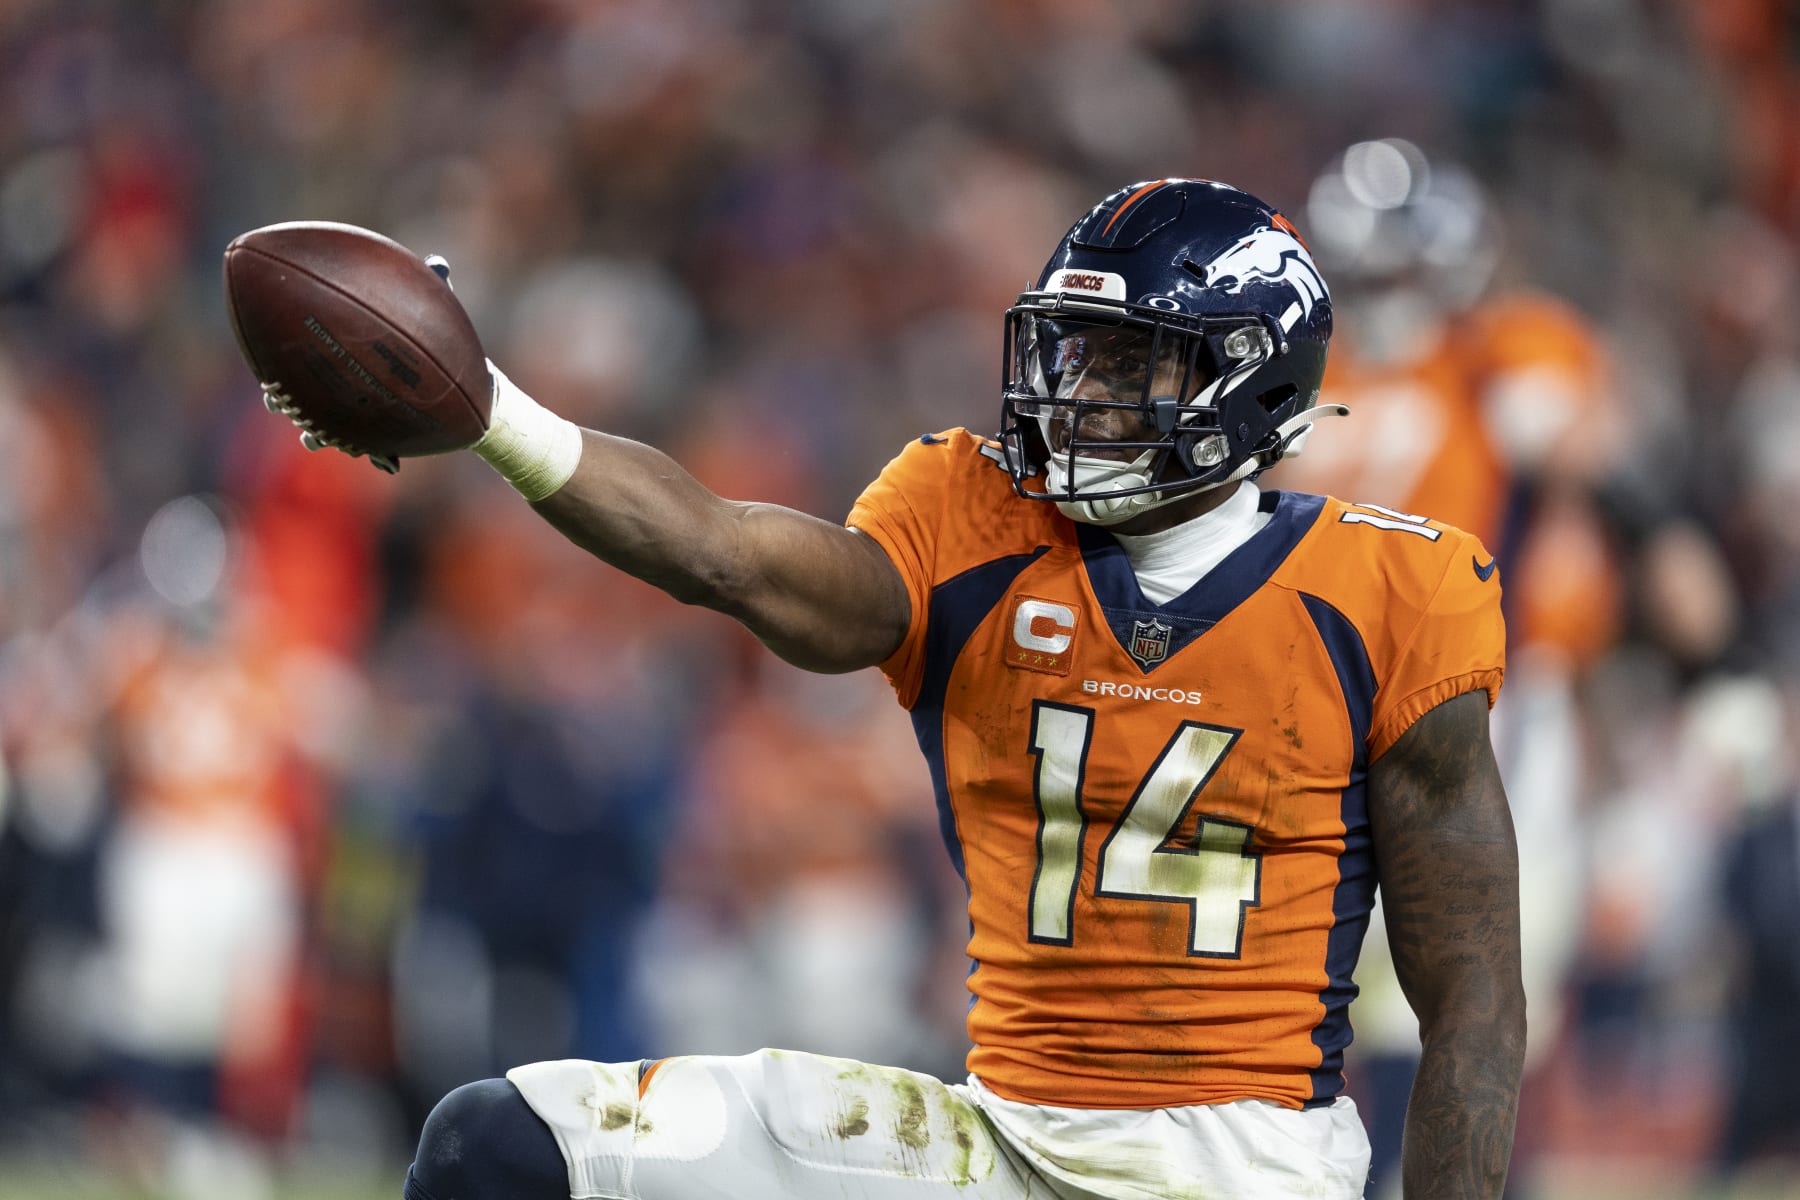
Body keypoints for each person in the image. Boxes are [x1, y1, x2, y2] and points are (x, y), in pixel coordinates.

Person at [273, 178, 1525, 1200]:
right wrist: (493, 413)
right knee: (495, 1147)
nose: (1077, 394)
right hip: (996, 1140)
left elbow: (1472, 999)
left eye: (1126, 364)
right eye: (1072, 352)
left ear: (1250, 379)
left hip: (1239, 1168)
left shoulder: (1389, 592)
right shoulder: (971, 519)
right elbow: (724, 552)